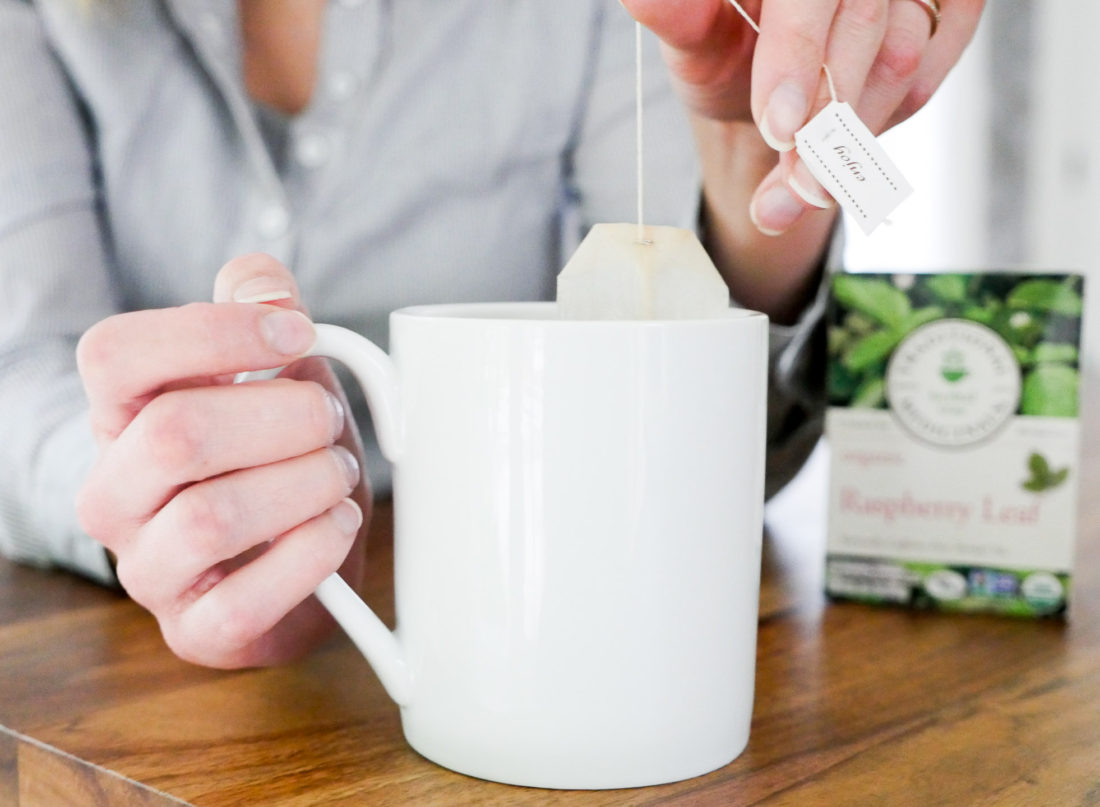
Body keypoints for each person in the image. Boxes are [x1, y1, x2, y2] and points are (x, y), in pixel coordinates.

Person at [0, 0, 984, 668]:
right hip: (113, 645)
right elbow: (21, 363)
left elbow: (684, 444)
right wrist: (162, 499)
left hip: (534, 608)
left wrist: (759, 176)